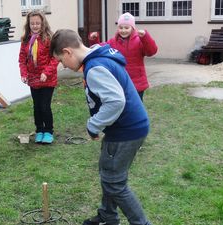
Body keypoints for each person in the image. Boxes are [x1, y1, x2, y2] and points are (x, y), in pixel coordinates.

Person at [50, 29, 152, 225]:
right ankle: (107, 216)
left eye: (61, 61)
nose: (63, 66)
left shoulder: (95, 67)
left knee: (115, 183)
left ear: (68, 52)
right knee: (108, 172)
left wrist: (93, 125)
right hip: (125, 129)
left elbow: (115, 102)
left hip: (126, 131)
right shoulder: (99, 55)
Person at [89, 12, 158, 101]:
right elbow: (101, 50)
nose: (123, 30)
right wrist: (94, 40)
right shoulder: (113, 42)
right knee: (122, 106)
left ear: (132, 28)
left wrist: (145, 37)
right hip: (119, 81)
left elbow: (151, 51)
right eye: (121, 28)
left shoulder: (139, 41)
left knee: (136, 107)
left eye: (126, 27)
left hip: (137, 83)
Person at [18, 11, 58, 144]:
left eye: (37, 23)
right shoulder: (25, 40)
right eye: (32, 23)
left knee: (45, 106)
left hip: (47, 79)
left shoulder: (48, 38)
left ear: (43, 24)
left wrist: (46, 72)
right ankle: (39, 130)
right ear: (28, 25)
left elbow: (55, 58)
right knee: (37, 106)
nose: (35, 26)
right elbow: (22, 59)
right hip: (33, 80)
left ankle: (49, 131)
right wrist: (24, 74)